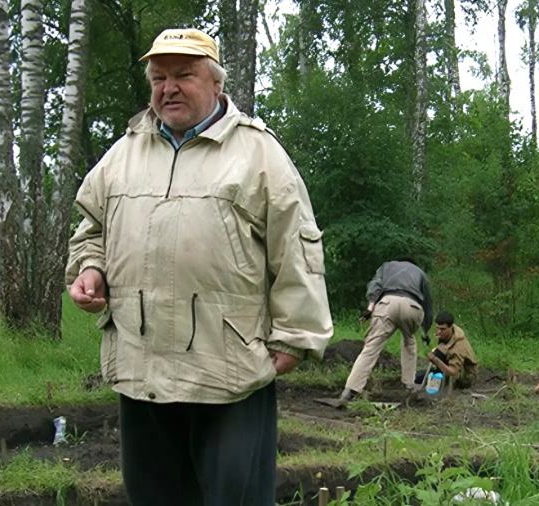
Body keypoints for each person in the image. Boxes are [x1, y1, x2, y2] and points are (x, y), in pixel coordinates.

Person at [65, 28, 333, 506]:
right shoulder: (124, 152)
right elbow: (92, 227)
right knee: (153, 495)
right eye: (159, 77)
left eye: (184, 75)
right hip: (140, 362)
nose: (168, 87)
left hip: (226, 366)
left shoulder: (258, 152)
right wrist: (91, 269)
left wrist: (296, 334)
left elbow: (296, 247)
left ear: (215, 84)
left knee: (235, 498)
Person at [341, 258, 433, 400]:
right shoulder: (420, 273)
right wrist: (425, 332)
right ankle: (410, 388)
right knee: (409, 343)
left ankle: (350, 391)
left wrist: (369, 308)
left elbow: (375, 285)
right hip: (412, 306)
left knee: (371, 348)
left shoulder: (387, 266)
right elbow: (427, 303)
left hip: (387, 303)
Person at [415, 312, 479, 390]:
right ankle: (437, 377)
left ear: (450, 327)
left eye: (442, 329)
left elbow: (453, 372)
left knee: (438, 355)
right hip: (449, 364)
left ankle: (442, 384)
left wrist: (436, 360)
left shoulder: (457, 348)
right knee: (417, 377)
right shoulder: (449, 332)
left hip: (466, 375)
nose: (438, 331)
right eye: (437, 328)